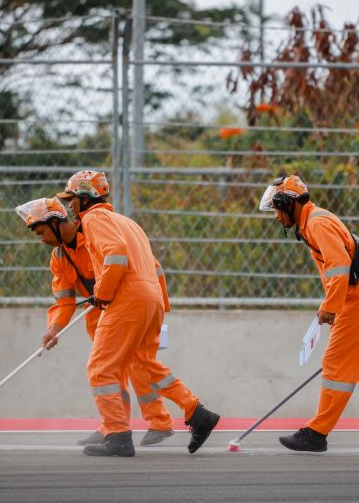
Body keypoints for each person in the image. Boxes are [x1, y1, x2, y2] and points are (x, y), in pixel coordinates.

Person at [56, 170, 220, 457]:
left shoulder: (93, 219)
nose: (70, 207)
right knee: (144, 364)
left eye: (72, 200)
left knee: (101, 368)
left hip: (127, 299)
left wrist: (103, 293)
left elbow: (116, 253)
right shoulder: (127, 222)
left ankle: (117, 435)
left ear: (85, 198)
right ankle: (197, 412)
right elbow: (156, 267)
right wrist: (160, 303)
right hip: (150, 297)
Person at [259, 174, 359, 455]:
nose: (276, 217)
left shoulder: (316, 223)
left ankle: (317, 433)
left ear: (288, 204)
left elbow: (341, 266)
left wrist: (330, 307)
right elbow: (357, 259)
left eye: (277, 210)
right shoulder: (314, 221)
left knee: (335, 365)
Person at [14, 196, 175, 447]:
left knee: (136, 364)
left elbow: (143, 266)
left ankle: (158, 421)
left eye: (43, 232)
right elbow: (64, 301)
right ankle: (112, 427)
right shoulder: (59, 259)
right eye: (39, 235)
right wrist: (54, 328)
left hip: (127, 306)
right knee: (110, 373)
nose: (42, 238)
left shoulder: (94, 234)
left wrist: (160, 307)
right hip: (97, 315)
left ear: (57, 223)